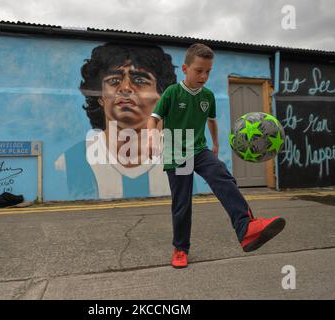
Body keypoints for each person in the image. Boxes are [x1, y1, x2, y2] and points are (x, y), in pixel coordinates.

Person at [147, 43, 286, 268]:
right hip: (178, 155)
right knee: (182, 203)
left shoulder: (208, 96)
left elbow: (211, 120)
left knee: (222, 175)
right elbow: (153, 118)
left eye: (208, 71)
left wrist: (216, 144)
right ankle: (180, 249)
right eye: (198, 70)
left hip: (200, 150)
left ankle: (246, 228)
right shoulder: (173, 92)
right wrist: (151, 137)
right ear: (185, 68)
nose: (204, 76)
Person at [62, 43, 203, 199]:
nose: (125, 88)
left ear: (162, 96)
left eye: (140, 81)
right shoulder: (71, 161)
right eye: (114, 81)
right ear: (100, 97)